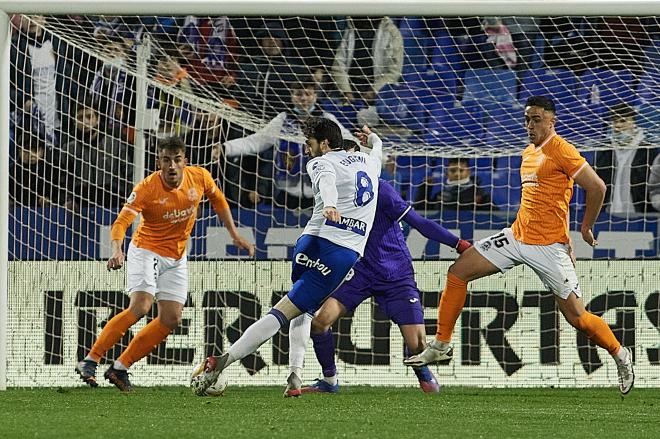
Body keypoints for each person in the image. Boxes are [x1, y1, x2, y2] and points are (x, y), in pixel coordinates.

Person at [404, 96, 635, 395]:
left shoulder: (562, 150)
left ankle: (620, 354)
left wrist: (585, 227)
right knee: (458, 271)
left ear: (552, 121)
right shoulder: (528, 152)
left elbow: (597, 187)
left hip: (549, 247)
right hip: (516, 236)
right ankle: (441, 344)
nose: (530, 125)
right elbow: (541, 201)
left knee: (578, 318)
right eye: (527, 119)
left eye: (536, 119)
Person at [192, 118, 382, 396]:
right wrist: (373, 139)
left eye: (310, 144)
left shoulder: (322, 161)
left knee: (301, 305)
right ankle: (222, 361)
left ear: (325, 144)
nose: (307, 150)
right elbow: (376, 150)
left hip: (310, 243)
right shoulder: (368, 163)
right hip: (337, 253)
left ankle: (295, 373)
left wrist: (329, 204)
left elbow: (327, 179)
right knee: (282, 312)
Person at [285, 138, 472, 396]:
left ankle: (424, 374)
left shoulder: (381, 190)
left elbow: (418, 222)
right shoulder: (333, 192)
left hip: (394, 273)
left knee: (418, 346)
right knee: (320, 323)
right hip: (357, 272)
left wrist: (459, 244)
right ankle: (329, 381)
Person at [75, 136, 254, 391]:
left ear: (185, 161)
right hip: (146, 250)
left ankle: (120, 368)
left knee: (171, 319)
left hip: (177, 256)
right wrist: (116, 249)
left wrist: (235, 235)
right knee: (141, 306)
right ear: (159, 162)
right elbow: (121, 222)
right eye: (166, 160)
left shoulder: (200, 177)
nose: (172, 166)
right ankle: (90, 360)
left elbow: (218, 200)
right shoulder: (147, 187)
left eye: (177, 160)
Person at [593, 103, 658, 215]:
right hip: (608, 215)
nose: (618, 125)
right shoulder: (605, 151)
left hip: (641, 216)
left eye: (623, 121)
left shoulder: (649, 151)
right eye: (614, 121)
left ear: (634, 122)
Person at [414, 158, 495, 211]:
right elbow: (420, 212)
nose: (457, 174)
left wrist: (481, 203)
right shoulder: (440, 195)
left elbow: (495, 215)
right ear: (446, 173)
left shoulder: (481, 195)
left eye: (461, 170)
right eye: (453, 170)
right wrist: (424, 189)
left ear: (469, 172)